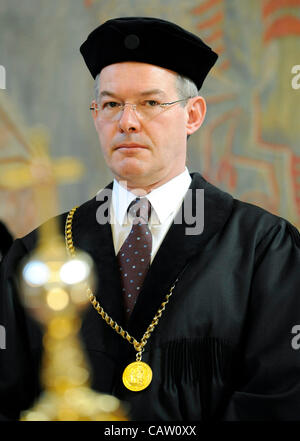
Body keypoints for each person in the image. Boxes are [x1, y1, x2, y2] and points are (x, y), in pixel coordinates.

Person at [1, 16, 300, 421]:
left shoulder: (264, 248)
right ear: (96, 116)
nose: (127, 121)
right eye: (110, 104)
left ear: (192, 115)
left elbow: (278, 398)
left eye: (151, 103)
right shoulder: (40, 255)